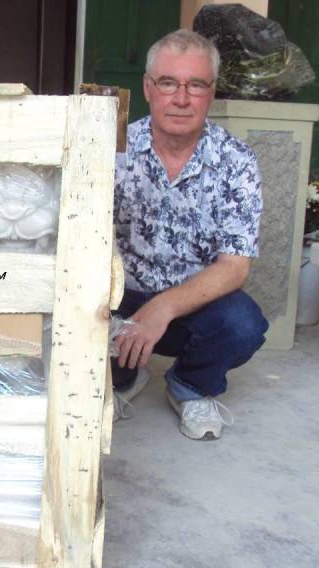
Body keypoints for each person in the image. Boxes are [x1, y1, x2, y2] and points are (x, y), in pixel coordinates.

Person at [112, 29, 268, 441]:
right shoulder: (114, 149)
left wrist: (162, 308)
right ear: (148, 87)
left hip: (190, 307)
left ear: (211, 92)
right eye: (168, 83)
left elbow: (234, 268)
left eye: (195, 85)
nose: (181, 99)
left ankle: (191, 386)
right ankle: (123, 377)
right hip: (121, 299)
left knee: (243, 323)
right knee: (71, 310)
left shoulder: (236, 162)